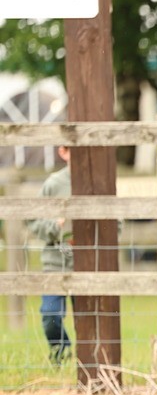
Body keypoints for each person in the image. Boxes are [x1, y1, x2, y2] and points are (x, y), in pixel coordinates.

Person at [27, 146, 73, 365]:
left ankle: (92, 364)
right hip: (56, 261)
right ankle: (61, 352)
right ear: (63, 152)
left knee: (93, 318)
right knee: (50, 314)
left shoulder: (99, 180)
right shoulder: (54, 184)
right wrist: (55, 227)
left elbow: (117, 222)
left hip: (91, 261)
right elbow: (33, 219)